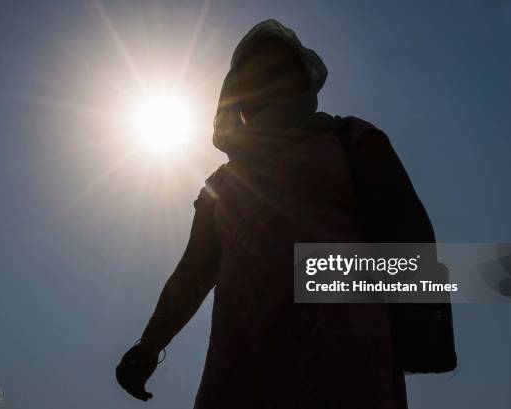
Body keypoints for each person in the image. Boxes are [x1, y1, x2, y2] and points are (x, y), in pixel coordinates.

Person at [116, 19, 456, 409]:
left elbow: (408, 228)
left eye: (278, 71)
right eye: (254, 78)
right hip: (241, 360)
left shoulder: (351, 139)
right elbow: (193, 273)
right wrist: (150, 344)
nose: (266, 84)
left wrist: (421, 321)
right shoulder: (221, 185)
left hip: (344, 354)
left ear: (301, 79)